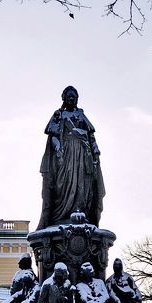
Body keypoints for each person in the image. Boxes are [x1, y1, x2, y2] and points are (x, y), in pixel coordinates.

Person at [39, 85, 105, 229]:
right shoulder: (59, 115)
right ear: (64, 98)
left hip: (82, 155)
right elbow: (53, 136)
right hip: (66, 154)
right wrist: (58, 150)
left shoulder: (81, 115)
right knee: (64, 182)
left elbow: (91, 136)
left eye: (74, 97)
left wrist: (96, 152)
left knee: (82, 184)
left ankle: (79, 210)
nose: (71, 99)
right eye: (69, 96)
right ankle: (62, 215)